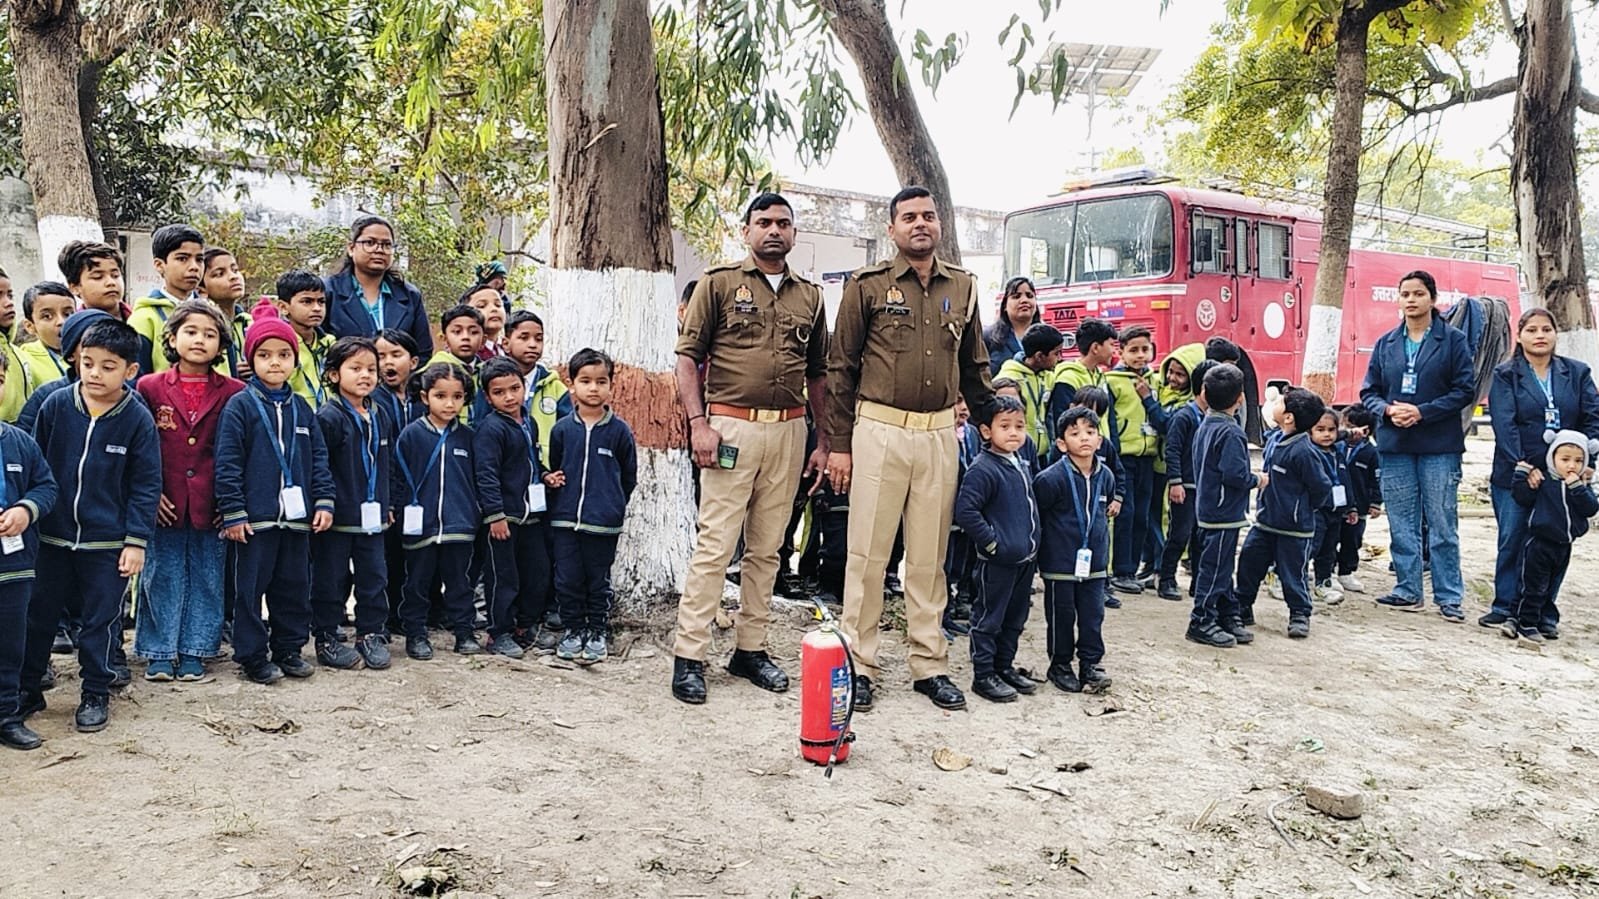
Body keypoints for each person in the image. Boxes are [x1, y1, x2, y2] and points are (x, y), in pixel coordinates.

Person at [825, 185, 994, 713]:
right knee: (868, 555)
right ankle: (861, 662)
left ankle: (930, 664)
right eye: (909, 217)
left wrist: (992, 423)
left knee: (929, 557)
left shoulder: (962, 288)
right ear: (892, 228)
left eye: (929, 215)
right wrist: (837, 445)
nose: (920, 224)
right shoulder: (867, 286)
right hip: (877, 430)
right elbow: (841, 368)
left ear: (939, 224)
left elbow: (974, 366)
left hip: (939, 434)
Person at [670, 192, 828, 704]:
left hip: (790, 431)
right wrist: (699, 424)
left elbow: (819, 373)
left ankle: (750, 649)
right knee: (716, 544)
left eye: (784, 223)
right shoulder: (718, 285)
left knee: (767, 549)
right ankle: (690, 655)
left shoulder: (810, 296)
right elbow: (687, 361)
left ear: (795, 233)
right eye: (764, 222)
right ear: (747, 231)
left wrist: (823, 440)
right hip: (730, 429)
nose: (774, 231)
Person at [21, 319, 159, 732]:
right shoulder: (57, 405)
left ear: (130, 371)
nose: (95, 373)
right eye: (87, 363)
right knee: (39, 615)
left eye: (108, 366)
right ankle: (28, 690)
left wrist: (135, 542)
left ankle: (95, 692)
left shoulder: (137, 419)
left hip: (107, 543)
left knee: (99, 621)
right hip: (51, 537)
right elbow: (36, 465)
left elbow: (146, 483)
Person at [215, 305, 336, 684]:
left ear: (294, 361)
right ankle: (252, 656)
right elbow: (228, 462)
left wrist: (324, 501)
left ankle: (289, 648)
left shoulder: (302, 408)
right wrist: (234, 511)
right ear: (251, 359)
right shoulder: (240, 406)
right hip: (256, 520)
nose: (275, 363)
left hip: (296, 521)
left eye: (284, 355)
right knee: (249, 590)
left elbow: (318, 458)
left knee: (294, 587)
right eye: (264, 355)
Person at [134, 301, 245, 682]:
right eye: (191, 331)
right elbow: (142, 447)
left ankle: (197, 649)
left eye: (210, 334)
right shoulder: (147, 387)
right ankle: (158, 651)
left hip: (210, 501)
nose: (200, 340)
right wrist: (150, 495)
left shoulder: (234, 391)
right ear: (172, 337)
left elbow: (236, 451)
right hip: (163, 500)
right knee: (160, 572)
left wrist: (229, 502)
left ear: (222, 345)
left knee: (207, 575)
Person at [1359, 270, 1475, 621]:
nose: (1411, 300)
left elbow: (1464, 391)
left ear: (1433, 299)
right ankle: (1408, 589)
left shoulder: (1452, 341)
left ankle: (1449, 596)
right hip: (1395, 444)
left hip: (1438, 444)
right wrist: (1388, 410)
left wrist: (1421, 412)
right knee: (1401, 520)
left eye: (1418, 294)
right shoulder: (1387, 343)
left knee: (1441, 522)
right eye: (1405, 294)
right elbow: (1369, 392)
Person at [1482, 308, 1599, 636]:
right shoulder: (1506, 374)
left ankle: (1543, 610)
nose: (1540, 335)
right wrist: (1525, 466)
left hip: (1565, 477)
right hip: (1518, 473)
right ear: (1519, 336)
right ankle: (1504, 606)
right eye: (1531, 329)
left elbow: (1593, 419)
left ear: (1555, 334)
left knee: (1555, 540)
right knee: (1513, 539)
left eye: (1546, 329)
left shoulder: (1577, 373)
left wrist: (1586, 462)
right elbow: (1504, 424)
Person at [310, 337, 397, 671]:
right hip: (337, 518)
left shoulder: (380, 413)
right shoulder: (328, 417)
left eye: (371, 369)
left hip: (373, 516)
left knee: (374, 576)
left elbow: (387, 462)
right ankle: (327, 637)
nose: (365, 376)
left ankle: (371, 633)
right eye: (355, 368)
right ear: (334, 374)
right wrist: (325, 503)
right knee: (330, 579)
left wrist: (388, 502)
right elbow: (319, 465)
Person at [548, 348, 637, 666]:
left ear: (611, 385)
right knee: (568, 578)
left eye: (601, 381)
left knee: (598, 580)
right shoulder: (562, 429)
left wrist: (612, 503)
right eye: (585, 380)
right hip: (565, 521)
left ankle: (597, 631)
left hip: (603, 523)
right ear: (572, 384)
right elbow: (555, 465)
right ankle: (572, 630)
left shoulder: (619, 431)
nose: (593, 388)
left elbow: (628, 477)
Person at [953, 395, 1041, 703]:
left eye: (1019, 426)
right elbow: (966, 511)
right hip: (998, 561)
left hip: (1025, 559)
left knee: (1015, 617)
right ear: (987, 431)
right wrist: (992, 543)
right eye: (1005, 426)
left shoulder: (1021, 461)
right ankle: (984, 674)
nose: (1014, 432)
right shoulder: (984, 468)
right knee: (989, 618)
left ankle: (1004, 666)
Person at [392, 363, 481, 660]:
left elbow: (478, 479)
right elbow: (397, 476)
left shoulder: (469, 437)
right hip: (421, 525)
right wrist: (399, 509)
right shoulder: (411, 435)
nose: (449, 403)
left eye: (457, 397)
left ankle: (464, 632)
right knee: (417, 582)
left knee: (460, 582)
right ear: (425, 396)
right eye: (441, 396)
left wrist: (474, 513)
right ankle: (416, 634)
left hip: (459, 523)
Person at [1233, 389, 1332, 640]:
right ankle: (1242, 606)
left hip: (1293, 529)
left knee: (1292, 573)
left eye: (1279, 403)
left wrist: (1301, 509)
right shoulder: (1275, 438)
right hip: (1265, 522)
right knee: (1249, 564)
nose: (1273, 403)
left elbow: (1321, 488)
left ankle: (1300, 613)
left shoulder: (1304, 452)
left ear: (1288, 418)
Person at [474, 357, 554, 658]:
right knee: (502, 577)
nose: (509, 397)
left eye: (514, 388)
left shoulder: (528, 421)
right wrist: (494, 515)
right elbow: (486, 474)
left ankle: (525, 625)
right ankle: (499, 632)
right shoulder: (490, 429)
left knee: (537, 573)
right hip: (504, 518)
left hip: (531, 516)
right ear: (488, 397)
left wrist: (546, 474)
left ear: (524, 387)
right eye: (499, 392)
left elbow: (530, 461)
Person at [1034, 405, 1116, 694]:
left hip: (1094, 561)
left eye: (1090, 432)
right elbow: (1039, 518)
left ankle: (1091, 664)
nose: (1084, 438)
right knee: (1062, 616)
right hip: (1060, 561)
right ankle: (1060, 664)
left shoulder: (1105, 475)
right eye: (1075, 433)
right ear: (1061, 443)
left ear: (1100, 439)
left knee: (1093, 615)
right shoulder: (1050, 479)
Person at [1188, 364, 1259, 648]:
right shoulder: (1230, 433)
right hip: (1222, 513)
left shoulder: (1206, 423)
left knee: (1221, 566)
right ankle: (1201, 620)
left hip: (1209, 509)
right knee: (1215, 569)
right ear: (1240, 398)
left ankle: (1227, 614)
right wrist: (1258, 479)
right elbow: (1236, 475)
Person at [1504, 430, 1599, 643]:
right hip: (1539, 542)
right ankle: (1524, 622)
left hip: (1564, 545)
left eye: (1578, 460)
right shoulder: (1545, 482)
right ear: (1552, 458)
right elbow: (1522, 497)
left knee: (1551, 585)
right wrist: (1520, 475)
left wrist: (1578, 488)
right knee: (1532, 585)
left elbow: (1591, 508)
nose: (1571, 466)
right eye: (1565, 460)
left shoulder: (1580, 487)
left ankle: (1542, 619)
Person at [0, 399, 56, 751]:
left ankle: (7, 714)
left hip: (14, 565)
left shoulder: (19, 440)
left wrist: (26, 509)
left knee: (10, 641)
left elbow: (46, 486)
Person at [1105, 325, 1169, 594]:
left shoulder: (1154, 382)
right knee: (1126, 513)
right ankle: (1121, 570)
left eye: (1145, 349)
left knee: (1143, 514)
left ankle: (1134, 566)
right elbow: (1109, 420)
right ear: (1121, 352)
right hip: (1124, 457)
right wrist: (1115, 454)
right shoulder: (1112, 381)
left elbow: (1161, 418)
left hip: (1148, 457)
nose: (1140, 356)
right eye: (1134, 350)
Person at [324, 215, 433, 359]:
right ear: (351, 248)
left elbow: (423, 353)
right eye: (370, 243)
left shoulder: (409, 296)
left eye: (387, 245)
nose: (379, 250)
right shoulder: (328, 292)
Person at [1158, 358, 1216, 601]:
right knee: (1179, 534)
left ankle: (1197, 582)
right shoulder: (1185, 416)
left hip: (1204, 488)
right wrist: (1176, 481)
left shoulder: (1213, 417)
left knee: (1200, 537)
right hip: (1186, 487)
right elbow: (1172, 450)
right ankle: (1166, 578)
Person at [128, 223, 205, 374]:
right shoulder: (144, 319)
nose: (194, 267)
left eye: (199, 259)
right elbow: (136, 380)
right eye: (183, 258)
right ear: (159, 265)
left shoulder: (213, 315)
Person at [502, 311, 571, 468]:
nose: (533, 344)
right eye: (524, 338)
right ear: (506, 344)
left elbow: (567, 433)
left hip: (546, 475)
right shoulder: (494, 384)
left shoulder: (556, 388)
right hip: (505, 472)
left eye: (538, 339)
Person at [995, 322, 1063, 458]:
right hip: (1019, 452)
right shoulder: (1009, 380)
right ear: (1039, 356)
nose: (1060, 358)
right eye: (1056, 353)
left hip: (1043, 453)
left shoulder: (1049, 376)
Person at [1307, 408, 1353, 606]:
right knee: (1311, 547)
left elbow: (1346, 481)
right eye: (1320, 429)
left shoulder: (1338, 453)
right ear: (1309, 432)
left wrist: (1351, 507)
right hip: (1317, 510)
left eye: (1331, 430)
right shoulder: (1310, 453)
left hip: (1336, 511)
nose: (1327, 434)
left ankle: (1323, 583)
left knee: (1329, 550)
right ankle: (1285, 577)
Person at [1336, 407, 1383, 594]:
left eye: (1352, 427)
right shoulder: (1335, 447)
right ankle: (1328, 572)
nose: (1348, 430)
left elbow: (1377, 479)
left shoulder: (1372, 453)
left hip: (1360, 506)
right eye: (1344, 426)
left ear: (1366, 431)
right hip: (1336, 506)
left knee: (1352, 540)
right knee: (1330, 539)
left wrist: (1375, 503)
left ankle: (1346, 572)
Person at [274, 272, 334, 407]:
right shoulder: (278, 347)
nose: (317, 308)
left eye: (321, 301)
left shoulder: (330, 344)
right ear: (283, 307)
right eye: (307, 301)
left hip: (331, 421)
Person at [1047, 318, 1117, 427]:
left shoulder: (1100, 376)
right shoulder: (1068, 378)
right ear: (1095, 348)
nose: (1114, 351)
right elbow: (1064, 423)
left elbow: (1110, 420)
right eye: (1111, 345)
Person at [14, 283, 75, 401]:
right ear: (30, 326)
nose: (61, 322)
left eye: (68, 314)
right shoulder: (24, 361)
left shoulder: (88, 354)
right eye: (47, 316)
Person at [199, 247, 255, 376]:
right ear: (201, 290)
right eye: (219, 274)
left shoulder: (249, 322)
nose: (233, 277)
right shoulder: (203, 326)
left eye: (235, 270)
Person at [982, 276, 1041, 375]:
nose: (1024, 300)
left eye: (1029, 296)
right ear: (1005, 305)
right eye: (1016, 296)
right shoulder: (988, 337)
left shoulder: (1048, 336)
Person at [57, 240, 128, 319]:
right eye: (98, 277)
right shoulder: (73, 329)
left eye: (115, 275)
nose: (111, 282)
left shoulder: (139, 320)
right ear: (75, 287)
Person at [462, 284, 507, 360]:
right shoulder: (466, 353)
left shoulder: (512, 349)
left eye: (498, 305)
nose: (493, 309)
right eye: (482, 306)